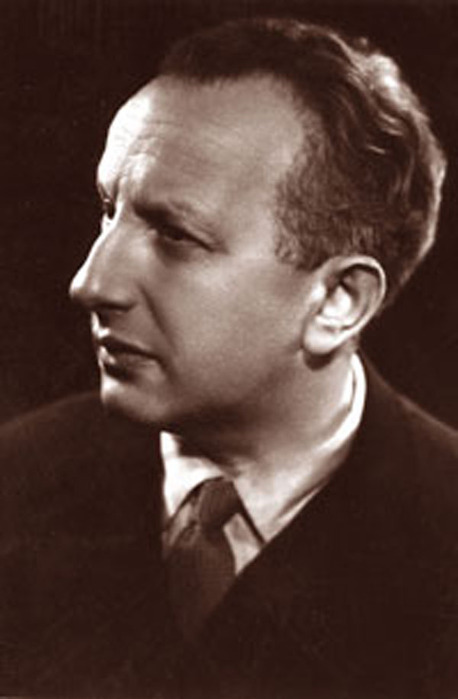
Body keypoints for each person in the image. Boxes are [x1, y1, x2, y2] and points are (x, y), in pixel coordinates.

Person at [1, 16, 457, 699]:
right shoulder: (16, 483)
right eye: (109, 209)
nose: (90, 282)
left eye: (175, 234)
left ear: (337, 301)